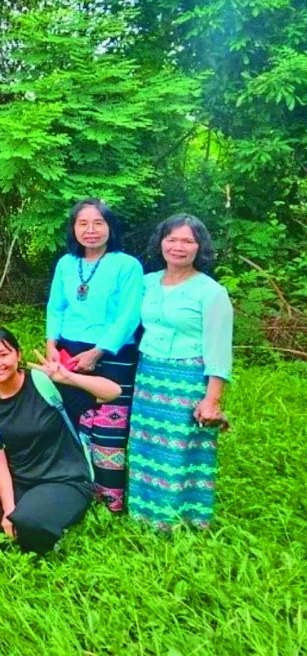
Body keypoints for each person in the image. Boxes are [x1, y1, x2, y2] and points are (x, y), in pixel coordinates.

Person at [0, 327, 121, 554]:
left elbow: (113, 392)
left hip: (66, 478)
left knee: (28, 523)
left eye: (4, 354)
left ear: (18, 355)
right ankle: (35, 518)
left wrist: (69, 377)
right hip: (23, 481)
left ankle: (54, 532)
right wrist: (8, 508)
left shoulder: (45, 384)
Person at [128, 215, 233, 531]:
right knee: (147, 446)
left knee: (181, 449)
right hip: (147, 375)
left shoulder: (210, 292)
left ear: (199, 247)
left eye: (188, 241)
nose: (178, 247)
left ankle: (180, 520)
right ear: (160, 242)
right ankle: (142, 514)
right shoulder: (146, 282)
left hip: (187, 379)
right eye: (172, 239)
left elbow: (218, 350)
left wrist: (212, 400)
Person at [45, 198, 144, 513]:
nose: (90, 230)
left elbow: (129, 315)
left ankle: (109, 501)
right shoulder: (65, 264)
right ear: (73, 229)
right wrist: (51, 343)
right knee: (72, 422)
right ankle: (76, 491)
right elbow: (56, 306)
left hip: (112, 354)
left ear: (110, 227)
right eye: (82, 223)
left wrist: (99, 350)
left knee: (108, 428)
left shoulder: (127, 265)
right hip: (69, 351)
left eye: (98, 223)